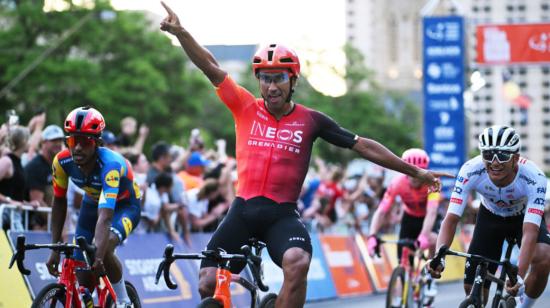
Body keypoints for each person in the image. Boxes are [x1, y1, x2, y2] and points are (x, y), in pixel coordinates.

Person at [159, 3, 450, 306]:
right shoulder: (245, 107)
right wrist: (182, 33)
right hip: (242, 211)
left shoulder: (311, 120)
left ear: (293, 80)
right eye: (265, 78)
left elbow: (363, 145)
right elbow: (210, 66)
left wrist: (414, 171)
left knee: (297, 262)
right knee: (207, 282)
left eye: (279, 79)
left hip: (281, 215)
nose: (271, 87)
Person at [428, 126, 550, 308]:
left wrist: (518, 277)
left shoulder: (534, 177)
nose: (494, 162)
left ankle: (524, 306)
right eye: (488, 155)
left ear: (515, 158)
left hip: (522, 219)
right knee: (471, 287)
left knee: (543, 258)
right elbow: (451, 218)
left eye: (502, 156)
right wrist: (439, 256)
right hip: (490, 218)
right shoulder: (470, 170)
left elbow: (530, 232)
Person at [46, 107, 141, 308]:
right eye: (73, 141)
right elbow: (59, 203)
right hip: (92, 203)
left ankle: (123, 300)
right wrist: (55, 248)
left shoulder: (110, 165)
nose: (78, 148)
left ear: (97, 143)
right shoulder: (61, 162)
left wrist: (98, 256)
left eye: (85, 141)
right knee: (83, 277)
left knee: (104, 250)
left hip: (124, 205)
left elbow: (106, 216)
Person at [367, 148, 441, 296]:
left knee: (433, 240)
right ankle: (402, 297)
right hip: (409, 219)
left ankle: (431, 277)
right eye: (410, 171)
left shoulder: (433, 183)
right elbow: (382, 210)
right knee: (403, 264)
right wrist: (372, 235)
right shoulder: (397, 183)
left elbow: (432, 212)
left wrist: (424, 236)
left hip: (428, 218)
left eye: (418, 171)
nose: (414, 177)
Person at [25, 124, 65, 230]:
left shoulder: (56, 165)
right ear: (43, 143)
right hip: (32, 223)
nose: (58, 144)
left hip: (48, 220)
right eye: (54, 140)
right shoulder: (36, 166)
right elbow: (37, 201)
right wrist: (57, 223)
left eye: (60, 140)